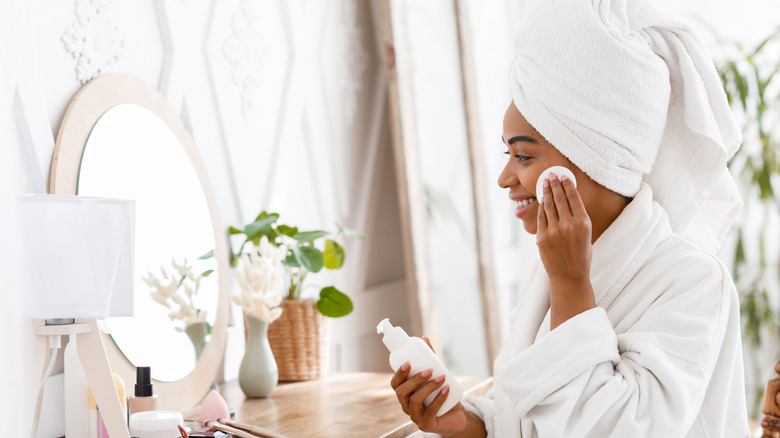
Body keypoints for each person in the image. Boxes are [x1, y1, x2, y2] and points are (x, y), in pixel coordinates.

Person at [389, 0, 750, 437]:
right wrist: (463, 423)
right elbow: (528, 420)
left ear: (595, 158)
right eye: (508, 154)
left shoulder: (693, 283)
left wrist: (572, 287)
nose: (505, 178)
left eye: (523, 155)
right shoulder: (559, 267)